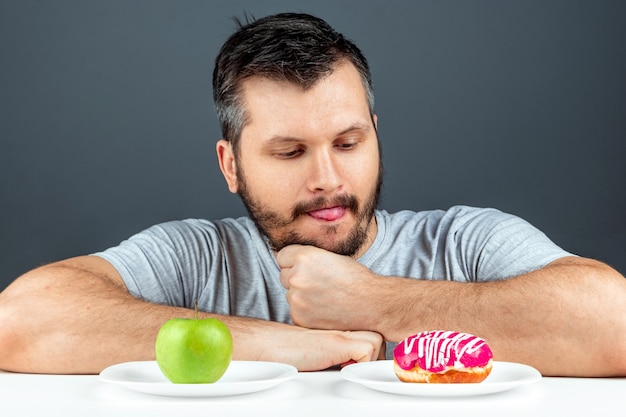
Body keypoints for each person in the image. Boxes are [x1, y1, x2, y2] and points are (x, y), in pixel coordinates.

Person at [0, 12, 625, 377]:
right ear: (231, 165)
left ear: (376, 135)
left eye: (348, 142)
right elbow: (19, 322)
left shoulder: (465, 241)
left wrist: (374, 300)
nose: (327, 178)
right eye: (290, 152)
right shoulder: (199, 257)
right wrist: (295, 345)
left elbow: (614, 323)